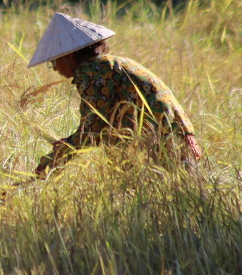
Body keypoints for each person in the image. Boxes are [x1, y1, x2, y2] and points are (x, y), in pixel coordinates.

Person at [26, 13, 202, 177]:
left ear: (70, 55)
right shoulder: (108, 64)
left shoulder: (91, 71)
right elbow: (104, 128)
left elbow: (92, 130)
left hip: (163, 136)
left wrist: (53, 162)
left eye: (54, 62)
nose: (55, 68)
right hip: (173, 131)